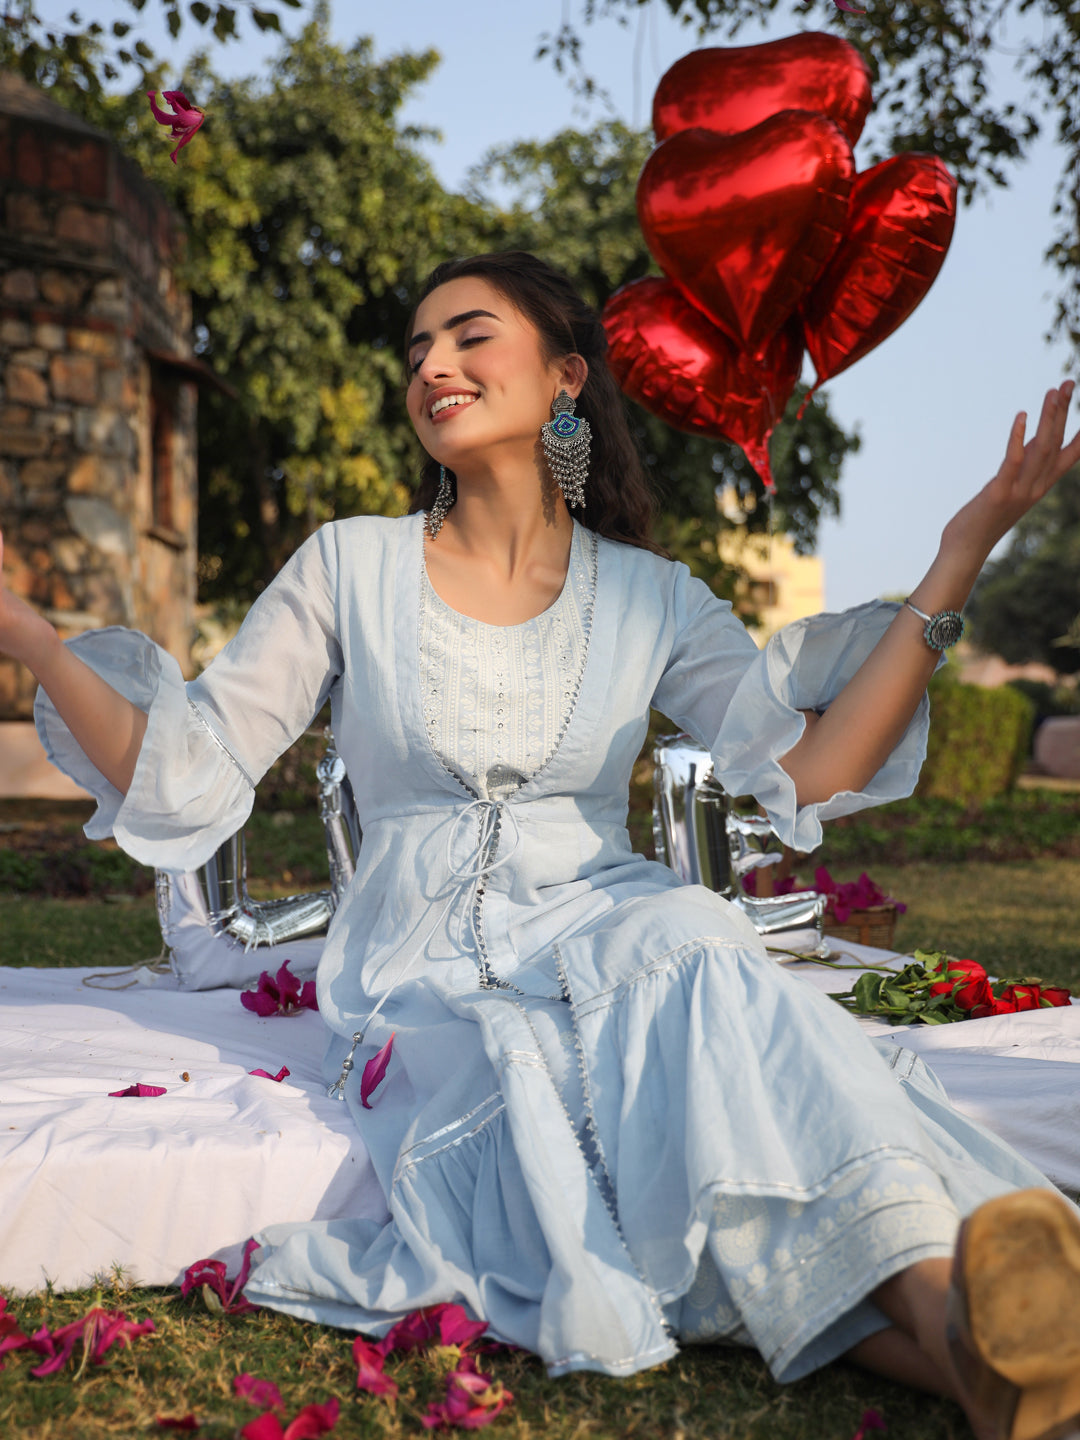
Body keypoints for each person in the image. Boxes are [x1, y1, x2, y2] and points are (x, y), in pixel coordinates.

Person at [3, 251, 1080, 1439]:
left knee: (687, 938)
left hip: (613, 930)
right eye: (416, 351)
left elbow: (811, 766)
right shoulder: (347, 565)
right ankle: (965, 1325)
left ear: (566, 376)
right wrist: (34, 639)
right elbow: (192, 762)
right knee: (592, 1090)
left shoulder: (653, 597)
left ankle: (976, 1347)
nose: (433, 367)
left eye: (469, 336)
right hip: (424, 977)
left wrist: (959, 557)